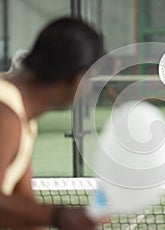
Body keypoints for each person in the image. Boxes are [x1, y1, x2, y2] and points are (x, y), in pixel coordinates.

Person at [0, 17, 107, 229]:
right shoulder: (6, 117)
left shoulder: (23, 117)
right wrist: (61, 217)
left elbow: (24, 204)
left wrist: (58, 217)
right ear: (79, 79)